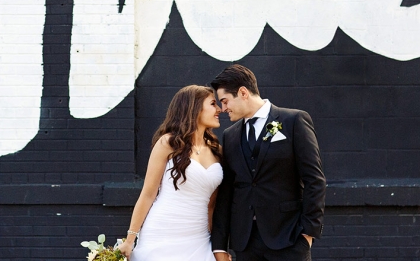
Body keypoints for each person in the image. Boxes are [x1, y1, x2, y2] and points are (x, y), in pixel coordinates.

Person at [210, 64, 325, 261]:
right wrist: (220, 244)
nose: (223, 108)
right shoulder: (230, 136)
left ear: (243, 93)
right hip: (245, 243)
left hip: (289, 239)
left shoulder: (293, 121)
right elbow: (227, 192)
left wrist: (308, 233)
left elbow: (314, 180)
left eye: (225, 101)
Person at [119, 85, 228, 261]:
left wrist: (217, 246)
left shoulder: (217, 151)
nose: (219, 109)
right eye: (213, 104)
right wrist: (130, 239)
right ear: (194, 108)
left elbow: (211, 206)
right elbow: (148, 194)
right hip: (162, 233)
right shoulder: (168, 143)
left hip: (199, 238)